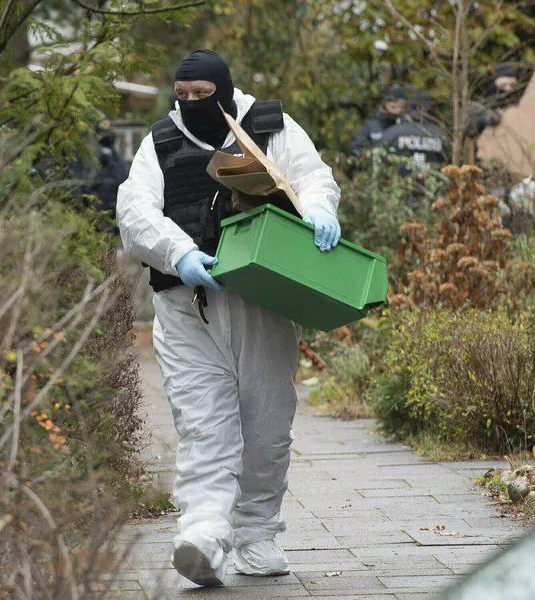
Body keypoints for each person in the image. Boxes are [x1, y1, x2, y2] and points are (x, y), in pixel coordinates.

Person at [116, 49, 341, 587]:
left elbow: (313, 176)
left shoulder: (270, 126)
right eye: (183, 95)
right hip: (186, 306)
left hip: (262, 301)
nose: (192, 103)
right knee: (203, 421)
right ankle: (203, 534)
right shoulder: (161, 141)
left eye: (203, 94)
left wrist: (318, 210)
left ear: (224, 87)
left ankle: (257, 533)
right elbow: (135, 210)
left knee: (267, 422)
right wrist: (178, 253)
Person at [379, 92, 447, 172]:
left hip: (399, 179)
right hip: (433, 178)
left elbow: (380, 158)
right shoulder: (440, 134)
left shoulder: (393, 132)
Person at [87, 117, 128, 231]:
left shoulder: (113, 153)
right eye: (105, 125)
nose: (110, 129)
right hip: (101, 208)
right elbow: (91, 182)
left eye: (111, 125)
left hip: (116, 208)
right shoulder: (94, 152)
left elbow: (122, 177)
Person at [466, 64, 521, 139]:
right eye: (503, 85)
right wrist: (484, 120)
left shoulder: (520, 103)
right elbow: (466, 131)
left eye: (512, 85)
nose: (508, 89)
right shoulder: (481, 105)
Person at [349, 85, 406, 154]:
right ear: (384, 103)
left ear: (403, 103)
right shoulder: (370, 127)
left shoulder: (408, 127)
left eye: (397, 101)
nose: (394, 104)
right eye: (390, 100)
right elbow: (355, 150)